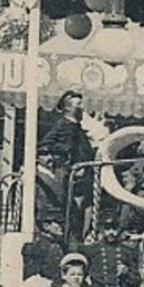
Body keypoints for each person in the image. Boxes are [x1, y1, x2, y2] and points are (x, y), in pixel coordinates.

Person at [38, 90, 95, 226]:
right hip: (67, 175)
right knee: (68, 210)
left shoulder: (78, 129)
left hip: (82, 177)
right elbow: (44, 147)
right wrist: (59, 160)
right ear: (68, 107)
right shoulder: (62, 126)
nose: (82, 107)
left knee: (83, 208)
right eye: (78, 104)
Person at [21, 215, 67, 283]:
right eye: (58, 223)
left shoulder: (57, 245)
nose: (62, 227)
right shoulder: (37, 247)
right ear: (46, 226)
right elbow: (32, 277)